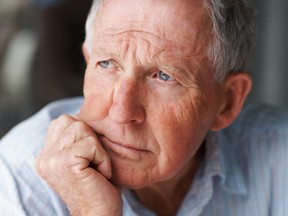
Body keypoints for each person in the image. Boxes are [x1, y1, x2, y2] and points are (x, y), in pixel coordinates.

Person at [1, 0, 288, 215]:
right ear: (88, 61)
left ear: (228, 101)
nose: (121, 112)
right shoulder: (20, 178)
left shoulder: (279, 158)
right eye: (107, 64)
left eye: (164, 76)